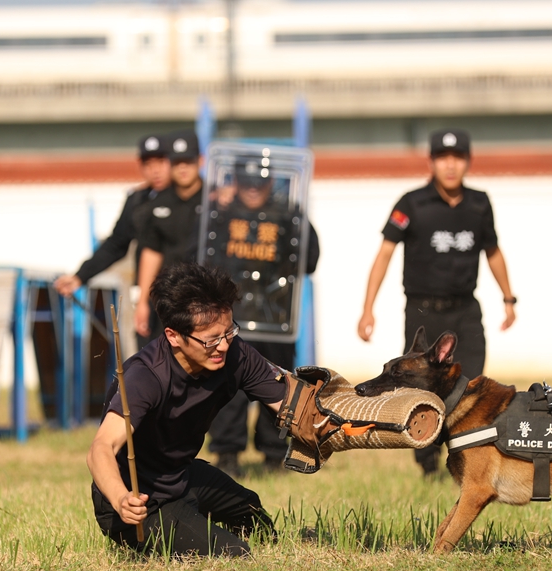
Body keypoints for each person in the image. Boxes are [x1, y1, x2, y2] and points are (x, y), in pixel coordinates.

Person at [87, 262, 285, 557]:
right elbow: (100, 448)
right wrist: (120, 498)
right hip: (141, 502)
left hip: (181, 476)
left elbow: (290, 405)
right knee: (234, 554)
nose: (223, 346)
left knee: (255, 518)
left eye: (229, 332)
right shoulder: (144, 377)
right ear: (174, 336)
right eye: (211, 339)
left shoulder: (235, 353)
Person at [357, 128, 517, 475]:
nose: (450, 165)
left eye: (458, 158)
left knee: (470, 386)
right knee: (420, 389)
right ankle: (427, 465)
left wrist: (508, 298)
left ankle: (466, 459)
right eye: (443, 158)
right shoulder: (411, 203)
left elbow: (493, 251)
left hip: (465, 310)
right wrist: (368, 308)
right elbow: (384, 254)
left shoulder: (479, 204)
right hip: (423, 313)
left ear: (468, 162)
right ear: (431, 162)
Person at [203, 154, 321, 476]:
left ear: (271, 183)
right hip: (230, 320)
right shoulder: (219, 215)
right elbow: (202, 254)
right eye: (246, 182)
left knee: (277, 386)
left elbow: (310, 259)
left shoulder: (287, 216)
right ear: (235, 182)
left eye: (260, 183)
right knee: (227, 390)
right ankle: (227, 455)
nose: (253, 189)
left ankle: (273, 454)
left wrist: (294, 222)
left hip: (275, 320)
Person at [54, 133, 170, 338]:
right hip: (149, 300)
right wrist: (80, 276)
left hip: (188, 298)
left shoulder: (193, 199)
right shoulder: (137, 201)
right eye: (148, 164)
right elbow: (116, 244)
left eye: (161, 162)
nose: (155, 170)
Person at [134, 129, 203, 342]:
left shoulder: (215, 201)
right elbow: (151, 253)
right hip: (168, 302)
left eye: (188, 162)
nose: (182, 168)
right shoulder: (157, 204)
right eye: (176, 162)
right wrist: (142, 302)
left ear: (200, 161)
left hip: (206, 301)